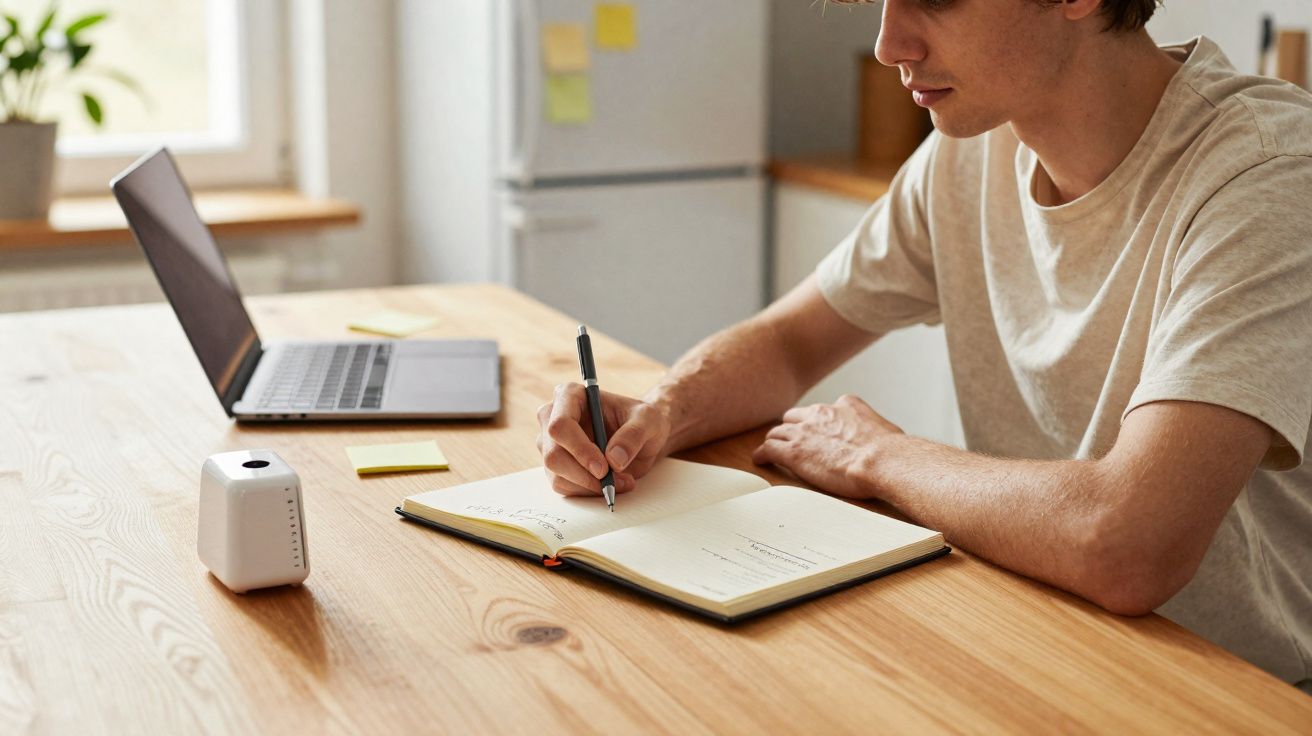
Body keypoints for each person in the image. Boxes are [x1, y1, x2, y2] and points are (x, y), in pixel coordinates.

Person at [536, 0, 1312, 691]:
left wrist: (880, 456)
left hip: (1241, 688)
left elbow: (1126, 544)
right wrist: (658, 417)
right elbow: (790, 342)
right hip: (1044, 629)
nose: (887, 42)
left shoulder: (1266, 176)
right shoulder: (971, 147)